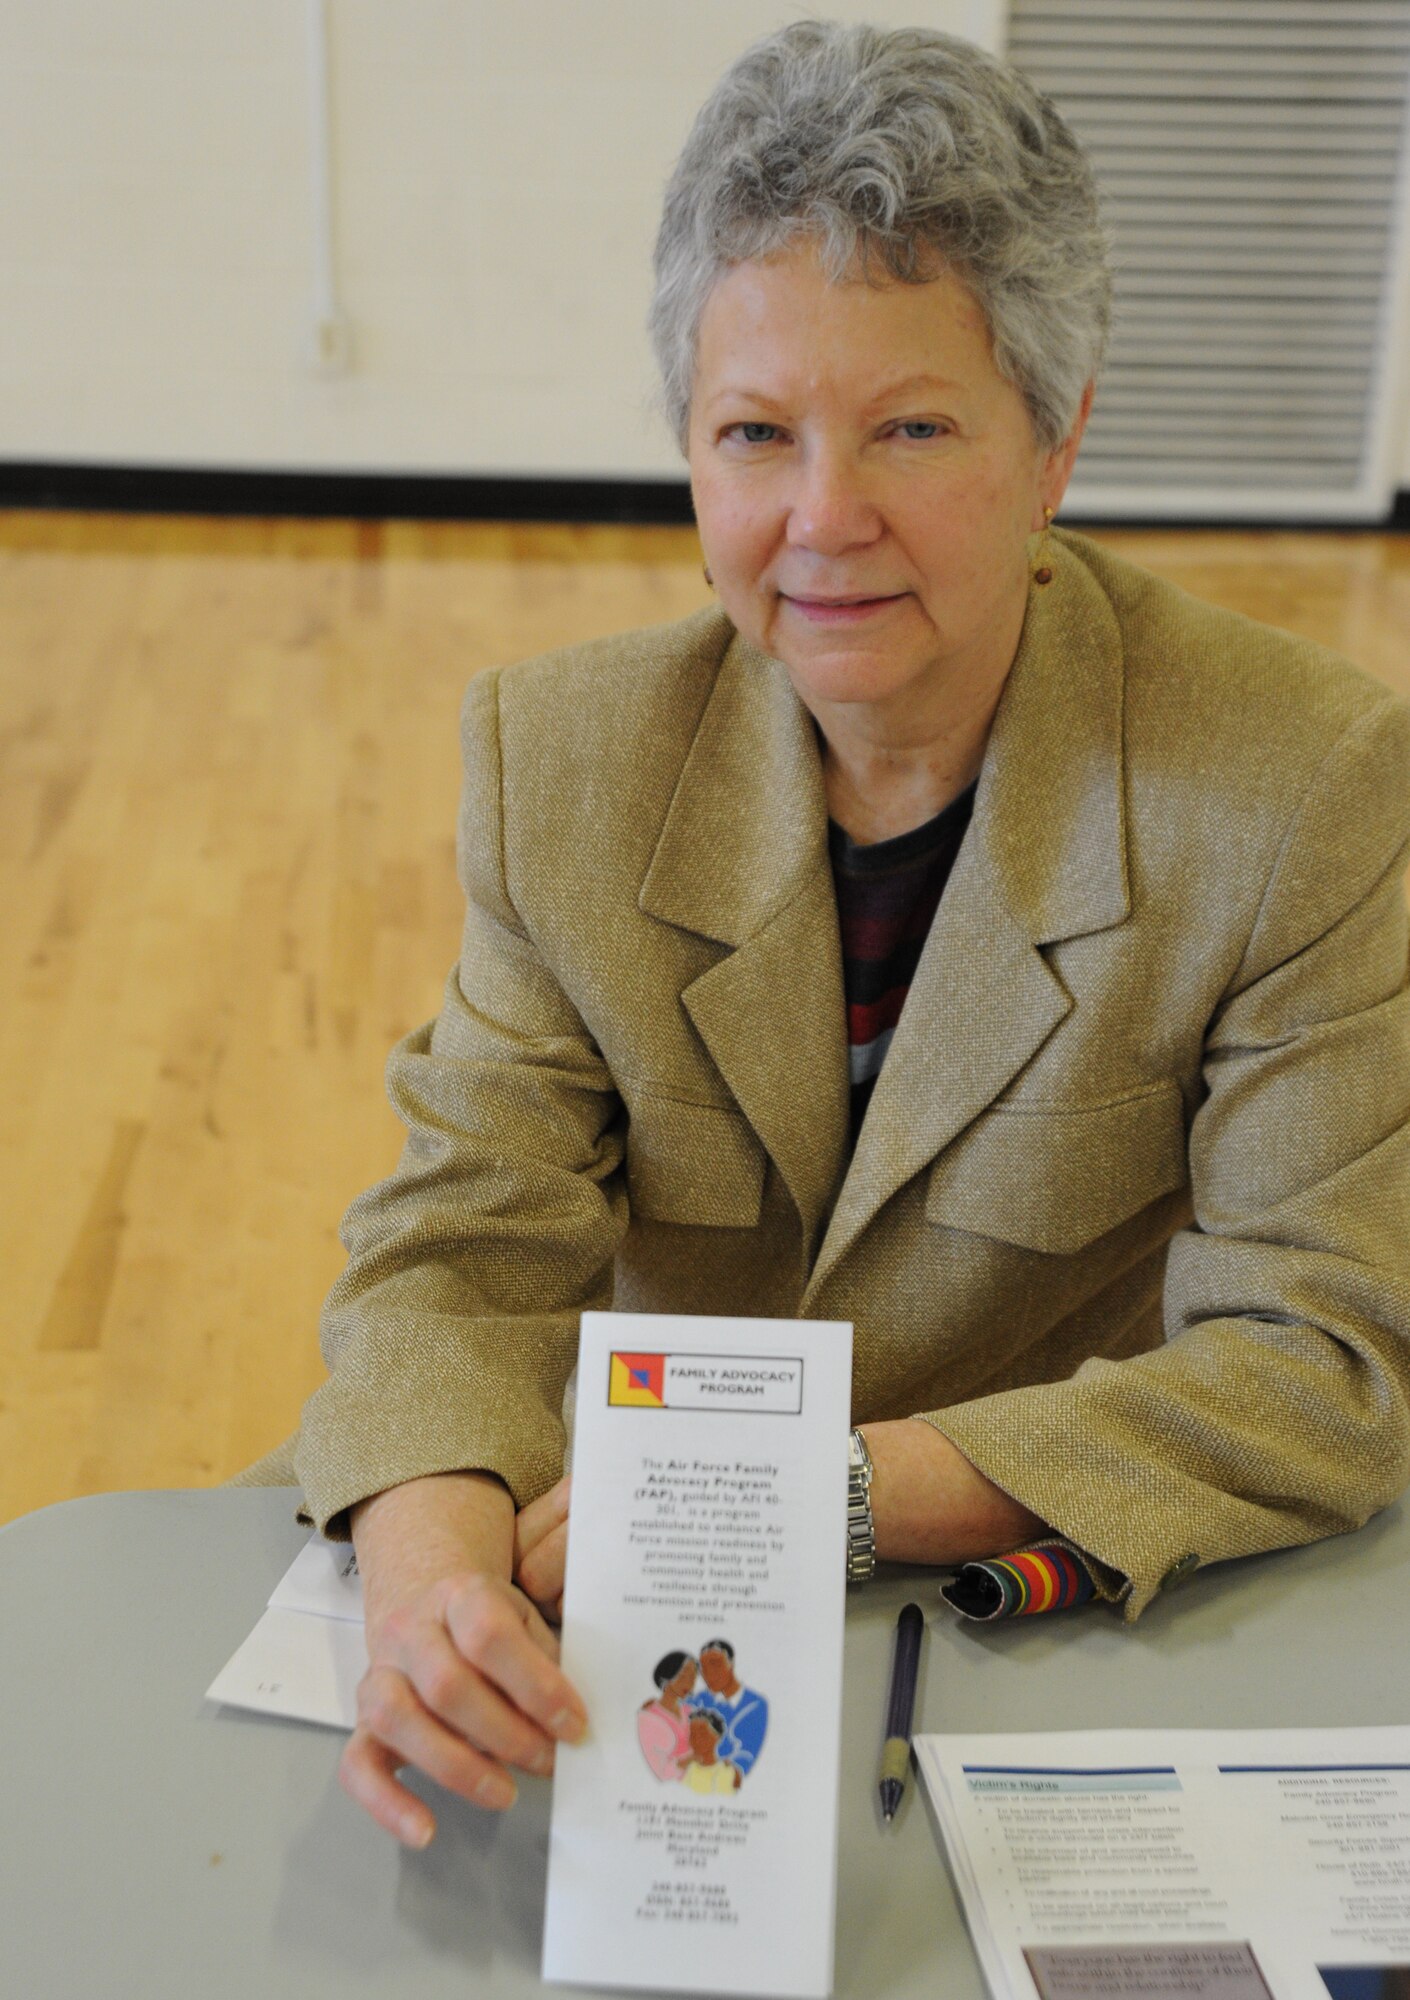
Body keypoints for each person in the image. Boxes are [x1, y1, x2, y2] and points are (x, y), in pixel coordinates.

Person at [235, 21, 1410, 1850]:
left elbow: (1317, 1366)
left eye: (914, 428)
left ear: (1058, 438)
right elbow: (456, 1255)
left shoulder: (1298, 784)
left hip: (1045, 1625)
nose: (822, 521)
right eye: (754, 434)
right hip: (636, 1645)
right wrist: (433, 1577)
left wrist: (808, 1494)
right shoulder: (560, 766)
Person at [690, 1642, 768, 1779]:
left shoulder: (755, 1704)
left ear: (731, 1664)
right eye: (704, 1669)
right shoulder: (702, 1698)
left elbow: (746, 1754)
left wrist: (728, 1773)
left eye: (715, 1665)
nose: (709, 1674)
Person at [637, 1651, 699, 1783]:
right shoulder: (649, 1718)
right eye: (683, 1676)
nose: (689, 1684)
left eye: (693, 1677)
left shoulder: (690, 1712)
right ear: (667, 1676)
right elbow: (660, 1772)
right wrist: (691, 1758)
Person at [680, 1711, 744, 1796]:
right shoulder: (686, 1770)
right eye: (693, 1734)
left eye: (702, 1734)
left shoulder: (729, 1772)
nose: (696, 1740)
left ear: (717, 1737)